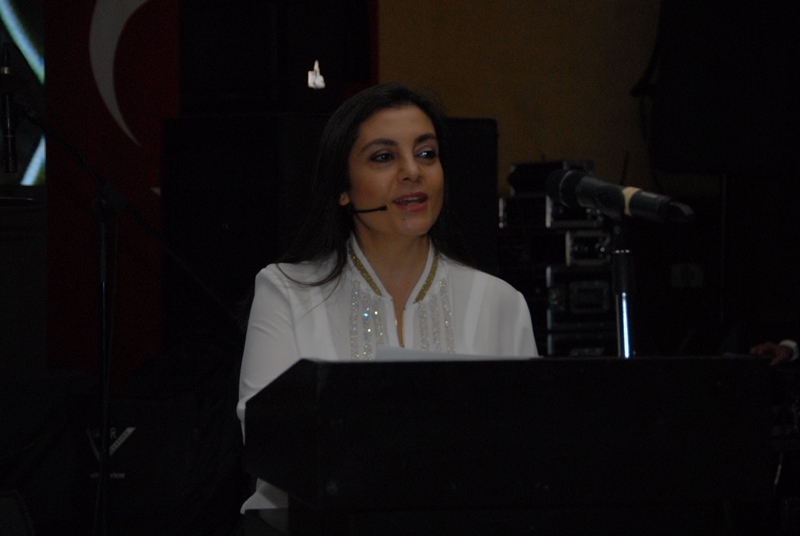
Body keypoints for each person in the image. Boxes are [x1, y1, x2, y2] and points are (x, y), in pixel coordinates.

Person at [236, 82, 538, 516]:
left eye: (426, 154)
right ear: (343, 189)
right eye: (383, 157)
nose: (412, 171)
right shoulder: (285, 291)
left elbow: (525, 451)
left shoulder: (499, 302)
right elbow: (268, 437)